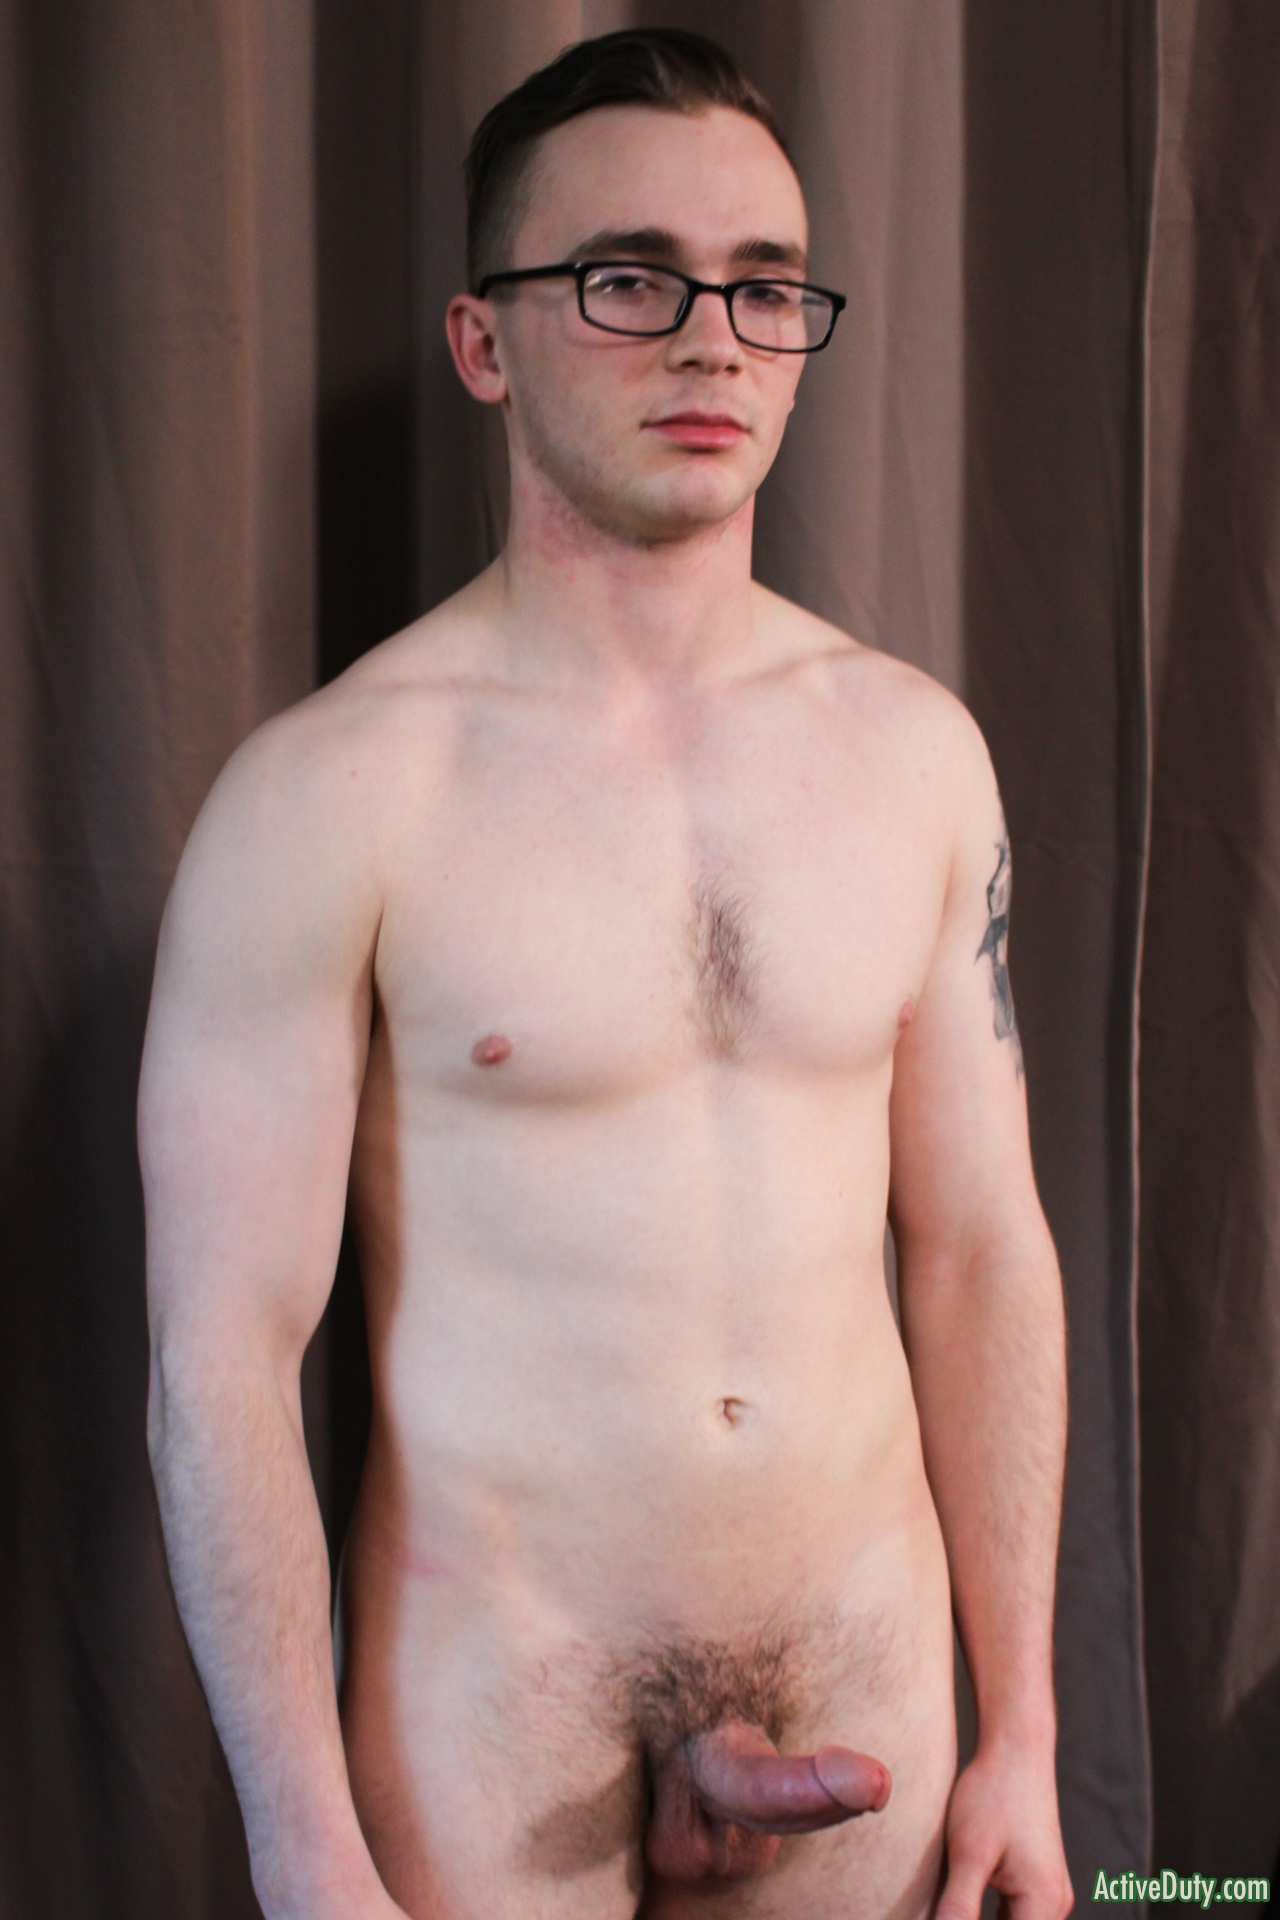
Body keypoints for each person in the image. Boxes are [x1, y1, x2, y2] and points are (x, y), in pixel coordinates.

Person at [139, 29, 1072, 1920]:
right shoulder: (329, 794)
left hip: (867, 1679)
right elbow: (218, 1349)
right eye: (630, 279)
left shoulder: (917, 759)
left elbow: (983, 1247)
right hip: (496, 1710)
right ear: (484, 341)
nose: (712, 341)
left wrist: (1027, 1731)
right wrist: (299, 1844)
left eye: (763, 286)